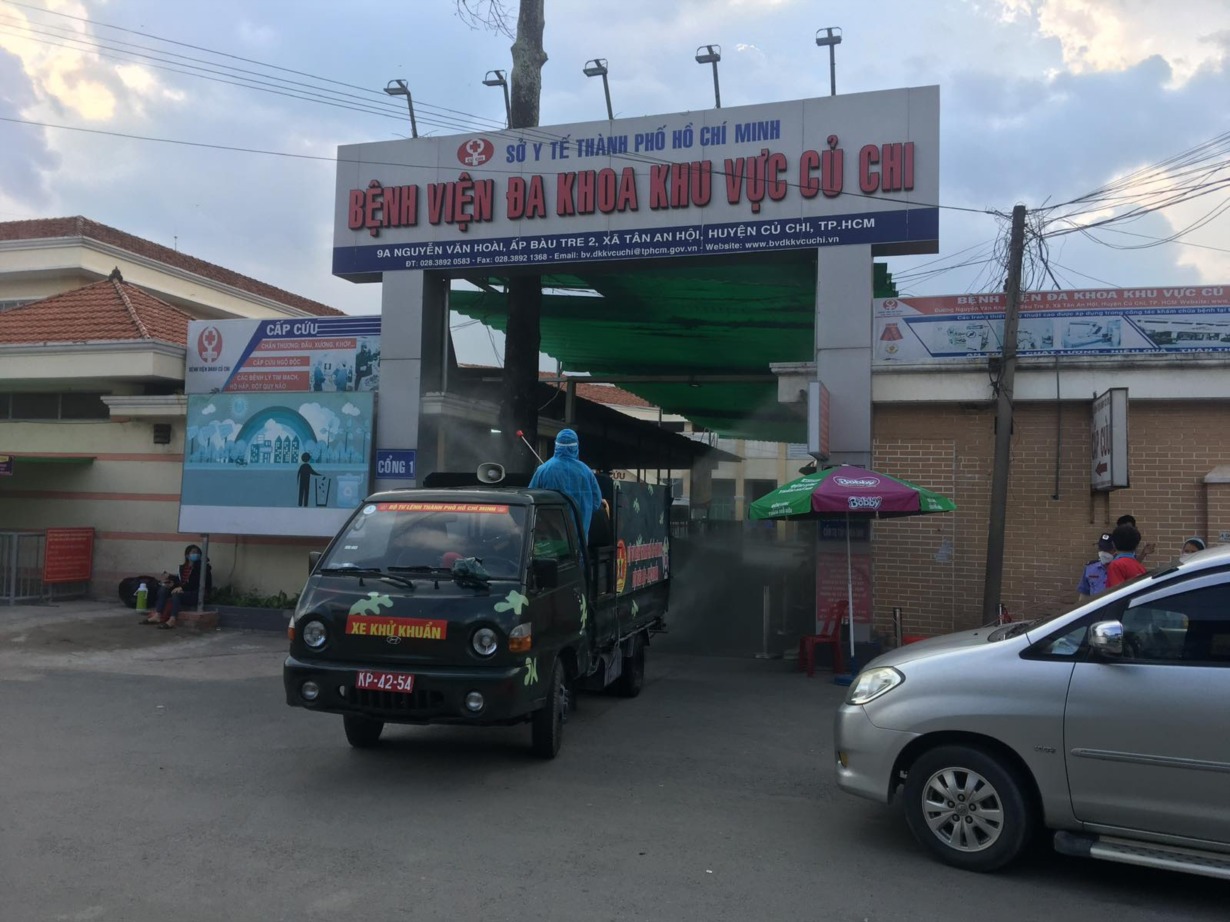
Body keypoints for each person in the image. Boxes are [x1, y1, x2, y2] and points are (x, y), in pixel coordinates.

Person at [528, 428, 603, 541]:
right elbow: (596, 503)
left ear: (556, 446)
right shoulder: (586, 472)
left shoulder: (543, 470)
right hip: (579, 542)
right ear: (576, 446)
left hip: (550, 542)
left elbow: (530, 500)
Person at [141, 544, 212, 628]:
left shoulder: (202, 568)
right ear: (187, 555)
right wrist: (171, 583)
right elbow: (180, 581)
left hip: (196, 593)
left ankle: (172, 620)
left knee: (176, 594)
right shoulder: (182, 568)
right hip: (185, 591)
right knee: (163, 589)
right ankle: (158, 615)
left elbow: (195, 583)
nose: (195, 554)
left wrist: (181, 588)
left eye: (197, 553)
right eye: (193, 552)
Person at [1105, 524, 1148, 589]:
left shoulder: (1116, 565)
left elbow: (1117, 593)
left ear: (1113, 544)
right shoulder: (1140, 567)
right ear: (1136, 545)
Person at [1077, 532, 1115, 602]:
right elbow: (1084, 595)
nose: (1103, 552)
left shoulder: (1120, 569)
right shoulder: (1090, 568)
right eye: (1101, 548)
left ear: (1115, 550)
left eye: (1107, 549)